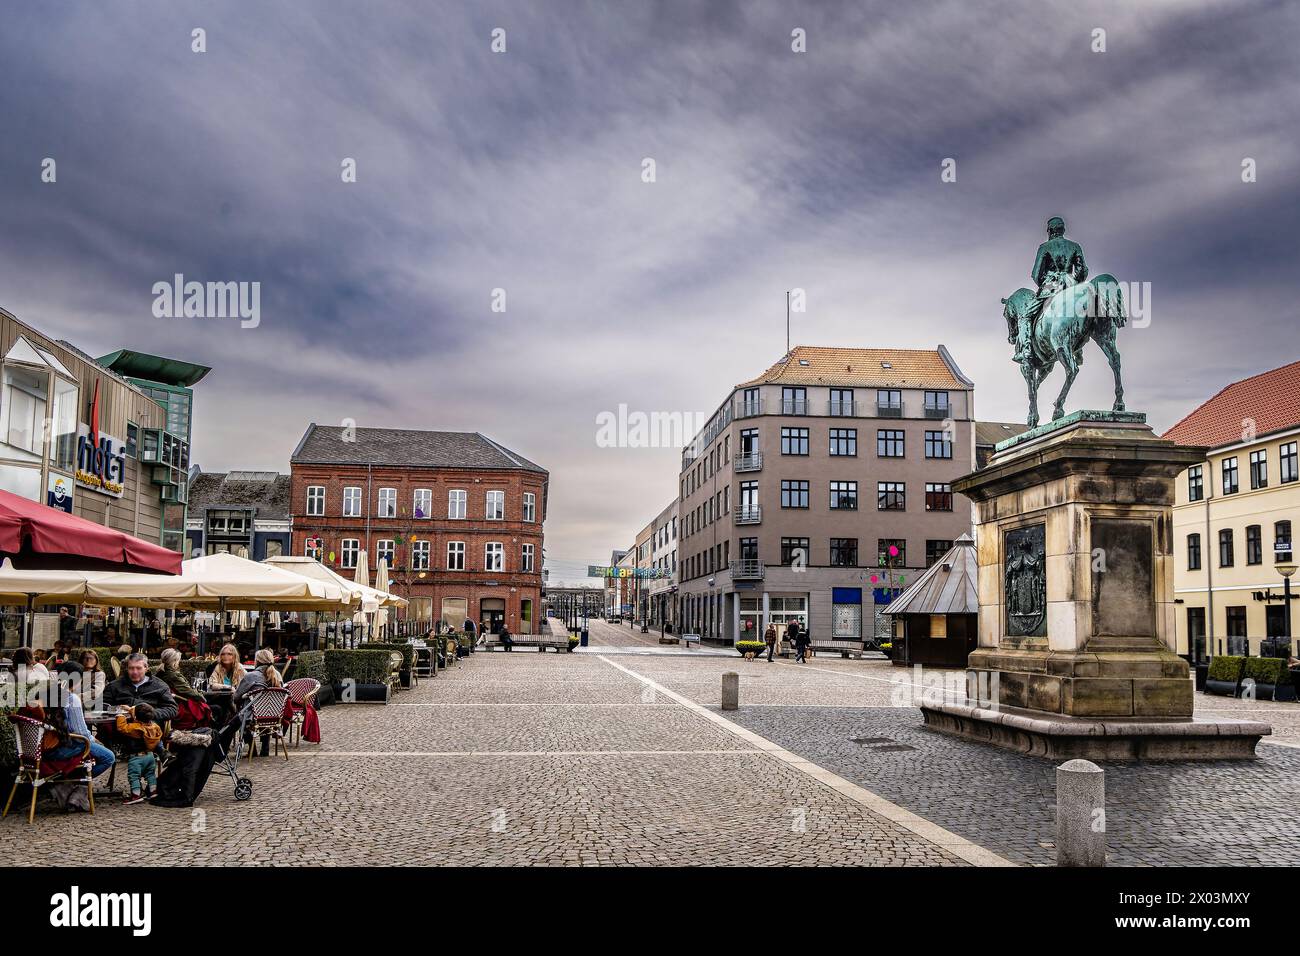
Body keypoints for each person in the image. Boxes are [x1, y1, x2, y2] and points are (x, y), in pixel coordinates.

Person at [1013, 216, 1089, 362]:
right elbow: (1082, 272)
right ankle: (1078, 351)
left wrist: (1046, 283)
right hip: (1072, 285)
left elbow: (1036, 275)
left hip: (1051, 286)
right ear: (1063, 230)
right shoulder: (1075, 246)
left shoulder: (1045, 247)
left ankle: (1026, 349)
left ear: (1050, 231)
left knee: (1026, 316)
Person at [103, 653, 179, 727]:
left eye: (139, 668)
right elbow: (102, 705)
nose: (135, 672)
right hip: (119, 727)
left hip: (148, 730)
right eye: (131, 668)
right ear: (127, 668)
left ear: (146, 668)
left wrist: (150, 713)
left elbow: (172, 709)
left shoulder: (160, 686)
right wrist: (119, 710)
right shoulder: (114, 686)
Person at [115, 702, 162, 804]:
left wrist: (120, 715)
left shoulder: (135, 728)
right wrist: (130, 709)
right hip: (150, 756)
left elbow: (121, 727)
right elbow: (138, 713)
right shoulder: (154, 726)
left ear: (136, 716)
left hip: (137, 758)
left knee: (134, 776)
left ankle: (136, 795)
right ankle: (153, 792)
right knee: (150, 774)